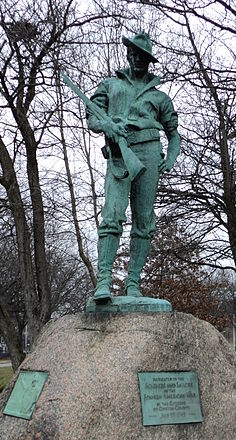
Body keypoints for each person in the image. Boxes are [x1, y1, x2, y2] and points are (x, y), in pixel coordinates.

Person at [87, 31, 180, 302]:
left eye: (143, 56)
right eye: (134, 54)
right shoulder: (110, 85)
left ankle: (133, 284)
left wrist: (171, 157)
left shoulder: (160, 98)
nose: (137, 59)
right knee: (113, 214)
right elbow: (92, 116)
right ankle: (103, 281)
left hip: (150, 153)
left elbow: (173, 133)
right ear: (128, 54)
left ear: (148, 60)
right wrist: (106, 124)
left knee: (144, 220)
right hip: (119, 152)